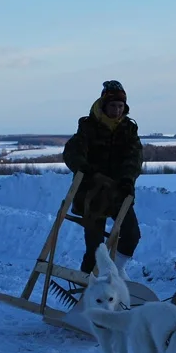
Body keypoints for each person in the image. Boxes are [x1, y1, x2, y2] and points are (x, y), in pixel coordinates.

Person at [62, 79, 143, 274]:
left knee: (131, 236)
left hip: (118, 191)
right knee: (95, 247)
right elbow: (72, 152)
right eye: (113, 106)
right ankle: (87, 288)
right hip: (92, 193)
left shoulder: (129, 130)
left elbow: (134, 158)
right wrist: (85, 170)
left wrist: (127, 180)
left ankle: (112, 274)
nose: (116, 111)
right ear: (104, 105)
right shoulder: (89, 127)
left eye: (120, 106)